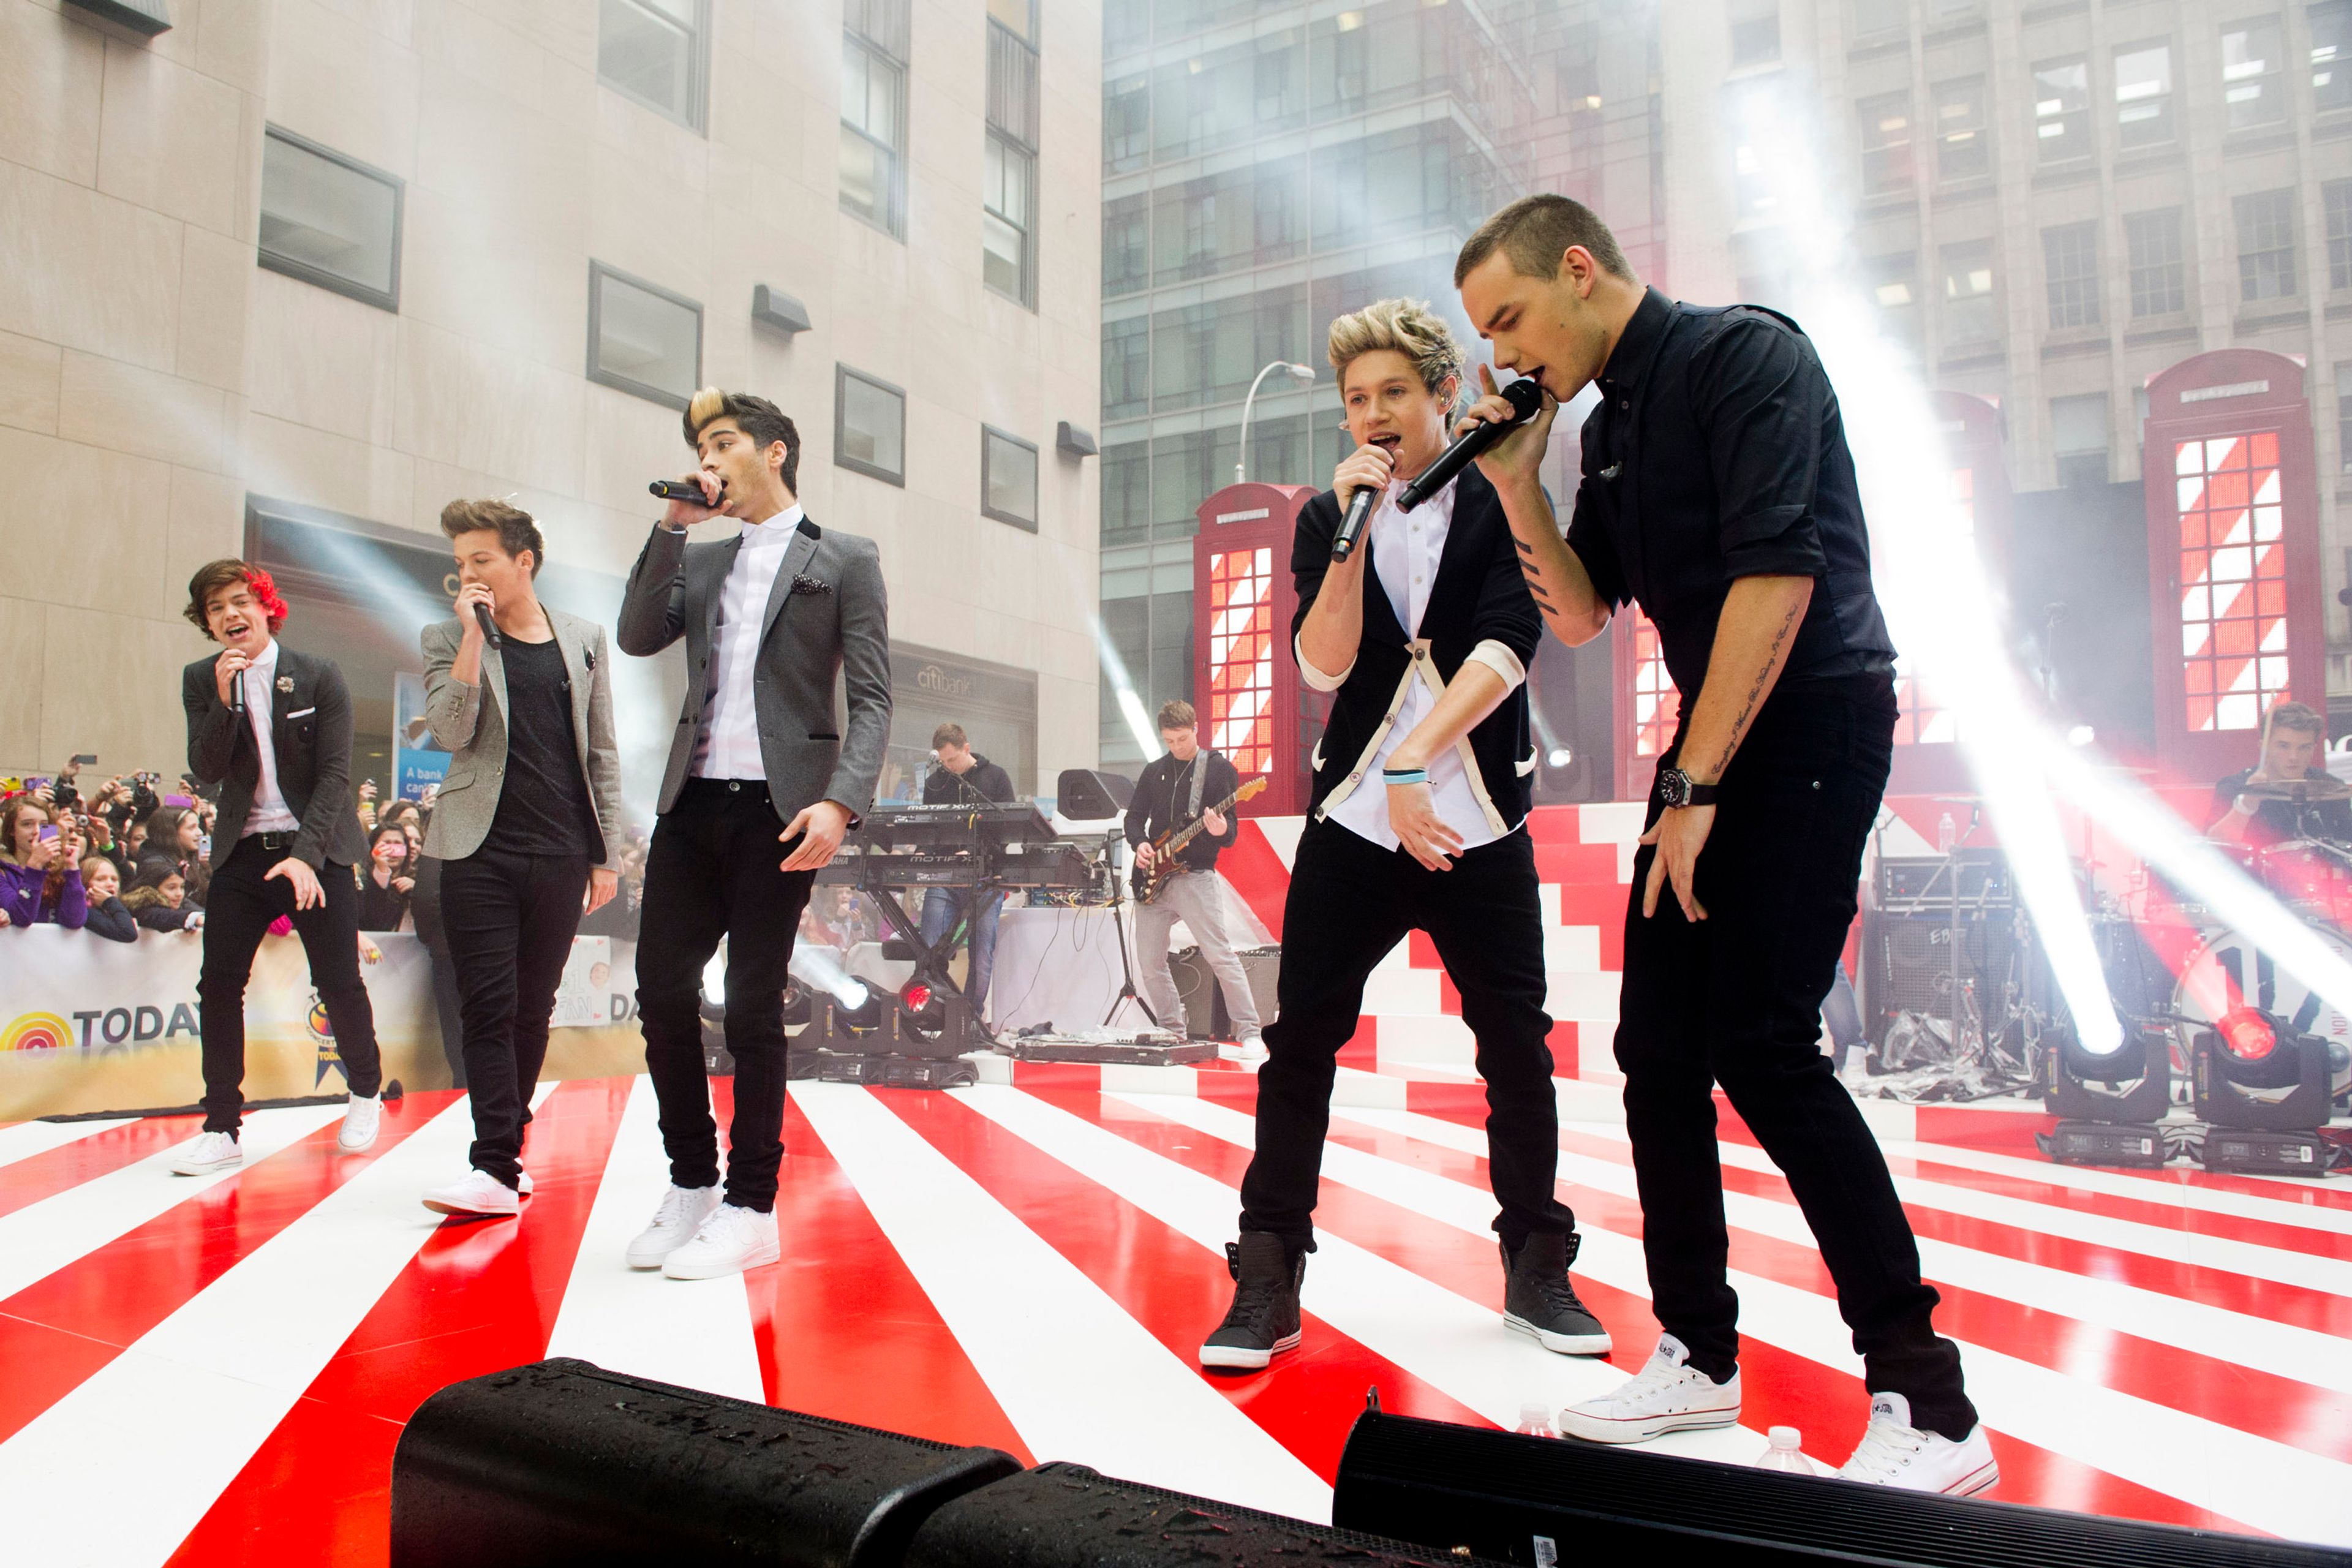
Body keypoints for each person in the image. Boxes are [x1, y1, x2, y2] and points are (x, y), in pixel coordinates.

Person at [1453, 194, 1992, 1493]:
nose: (1507, 353)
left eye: (1512, 317)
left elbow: (1780, 576)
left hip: (1809, 717)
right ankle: (1698, 1352)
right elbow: (1580, 615)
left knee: (1763, 1040)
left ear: (1580, 270)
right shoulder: (1606, 425)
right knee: (1656, 1050)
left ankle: (1931, 1404)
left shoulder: (1743, 355)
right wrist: (1521, 480)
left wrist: (1694, 779)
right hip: (1711, 742)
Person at [1199, 298, 1605, 1372]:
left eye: (1392, 395)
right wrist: (1348, 540)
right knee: (1300, 1046)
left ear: (1441, 395)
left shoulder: (1501, 492)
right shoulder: (1328, 516)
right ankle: (1270, 1266)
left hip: (1475, 816)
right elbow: (1322, 669)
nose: (1372, 417)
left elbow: (1511, 644)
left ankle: (1534, 1260)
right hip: (1355, 821)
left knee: (1515, 1046)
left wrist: (1422, 761)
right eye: (1354, 401)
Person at [617, 386, 889, 1279]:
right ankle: (692, 1182)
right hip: (690, 803)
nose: (709, 457)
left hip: (781, 812)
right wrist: (671, 525)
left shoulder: (845, 558)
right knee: (660, 989)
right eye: (701, 445)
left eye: (723, 442)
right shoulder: (700, 559)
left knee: (752, 1001)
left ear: (774, 451)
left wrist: (841, 802)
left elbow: (876, 699)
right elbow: (634, 635)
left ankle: (751, 1203)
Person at [415, 498, 624, 1219]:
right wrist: (474, 637)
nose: (466, 573)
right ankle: (494, 1165)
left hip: (564, 850)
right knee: (488, 1005)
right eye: (459, 563)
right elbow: (447, 728)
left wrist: (609, 856)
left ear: (523, 561)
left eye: (481, 559)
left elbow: (601, 751)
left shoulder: (585, 638)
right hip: (476, 848)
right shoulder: (446, 634)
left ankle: (507, 1142)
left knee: (533, 1010)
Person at [167, 560, 385, 1176]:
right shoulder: (201, 680)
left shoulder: (318, 675)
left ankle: (365, 1088)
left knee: (337, 979)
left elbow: (335, 777)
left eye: (241, 602)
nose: (231, 616)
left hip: (315, 849)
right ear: (207, 623)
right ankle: (221, 1124)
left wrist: (305, 857)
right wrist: (224, 700)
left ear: (266, 607)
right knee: (218, 984)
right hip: (242, 852)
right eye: (216, 609)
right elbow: (207, 771)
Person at [1124, 701, 1264, 1056]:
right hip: (1153, 880)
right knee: (1150, 964)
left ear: (1196, 728)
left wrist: (1218, 829)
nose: (1176, 747)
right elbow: (1134, 818)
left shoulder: (1219, 771)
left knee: (1220, 955)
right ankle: (1172, 1029)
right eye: (1169, 741)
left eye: (1182, 739)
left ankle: (1250, 1032)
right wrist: (1140, 844)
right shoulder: (1154, 770)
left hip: (1195, 877)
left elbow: (1230, 832)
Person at [918, 722, 1015, 1025]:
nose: (948, 767)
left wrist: (977, 851)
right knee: (929, 947)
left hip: (986, 877)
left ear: (967, 749)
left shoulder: (996, 777)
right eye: (943, 762)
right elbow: (929, 827)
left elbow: (1009, 826)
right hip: (945, 876)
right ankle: (934, 1014)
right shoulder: (935, 783)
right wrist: (926, 852)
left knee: (981, 953)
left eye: (953, 760)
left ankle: (970, 1020)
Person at [2209, 701, 2351, 847]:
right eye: (2283, 746)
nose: (2294, 757)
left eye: (2304, 747)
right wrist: (2246, 805)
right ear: (2263, 747)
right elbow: (2215, 847)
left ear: (2314, 748)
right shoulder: (2234, 786)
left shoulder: (2332, 788)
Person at [0, 795, 90, 931]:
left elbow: (74, 920)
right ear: (12, 830)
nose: (37, 831)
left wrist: (72, 870)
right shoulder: (3, 871)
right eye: (27, 824)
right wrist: (35, 867)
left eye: (44, 825)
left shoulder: (57, 868)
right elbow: (22, 917)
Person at [138, 805, 209, 904]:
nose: (200, 833)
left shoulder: (193, 857)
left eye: (198, 826)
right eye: (192, 828)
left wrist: (209, 868)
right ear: (171, 832)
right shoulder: (155, 866)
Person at [357, 824, 413, 933]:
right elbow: (371, 921)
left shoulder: (415, 877)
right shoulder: (362, 878)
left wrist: (417, 889)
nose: (391, 851)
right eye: (386, 844)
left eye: (397, 844)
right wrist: (382, 870)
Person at [125, 864, 204, 932]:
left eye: (182, 887)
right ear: (154, 889)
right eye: (172, 888)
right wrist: (194, 918)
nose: (179, 894)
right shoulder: (144, 910)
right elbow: (163, 916)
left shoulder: (182, 903)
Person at [81, 853, 137, 943]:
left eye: (114, 879)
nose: (110, 884)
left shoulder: (115, 908)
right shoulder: (87, 912)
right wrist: (109, 901)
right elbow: (128, 933)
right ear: (85, 883)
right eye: (100, 879)